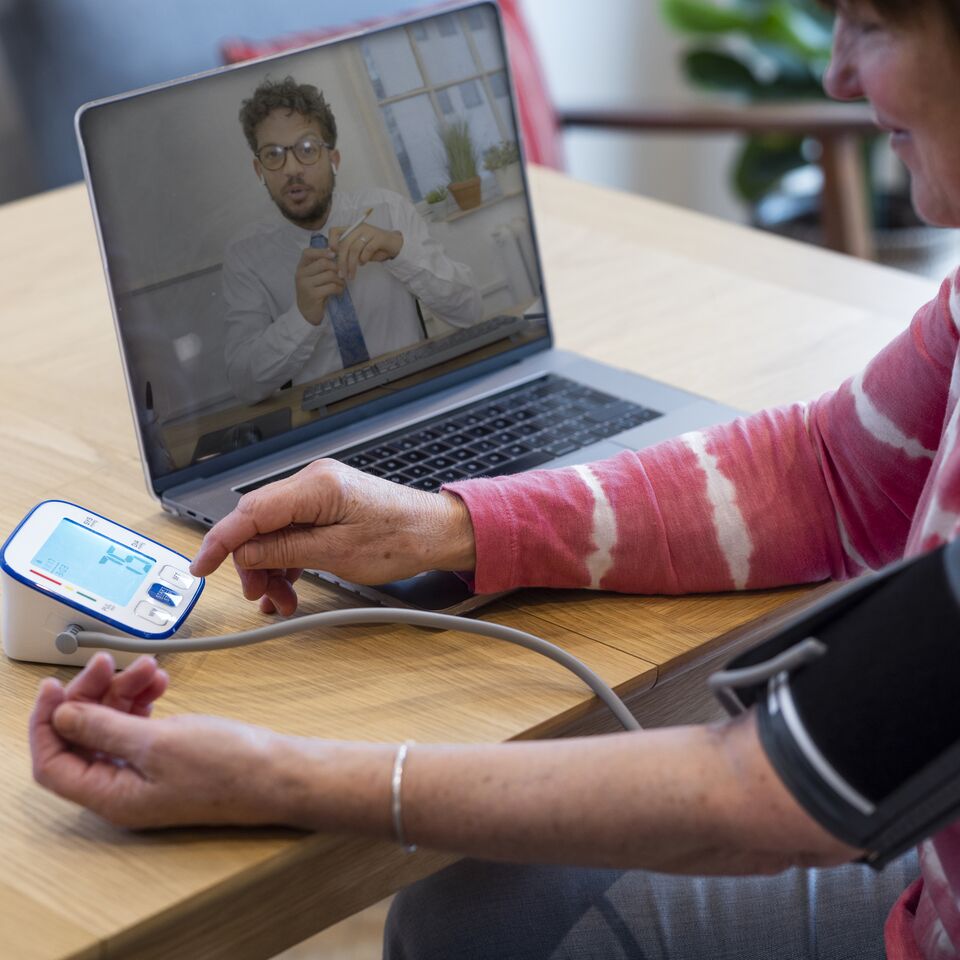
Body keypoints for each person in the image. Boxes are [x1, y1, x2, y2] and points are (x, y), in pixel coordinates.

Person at [28, 0, 960, 956]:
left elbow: (767, 792)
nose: (837, 74)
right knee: (465, 916)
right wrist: (445, 526)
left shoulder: (390, 222)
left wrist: (276, 773)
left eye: (873, 27)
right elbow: (830, 472)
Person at [222, 77, 482, 405]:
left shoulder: (388, 210)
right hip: (323, 432)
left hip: (414, 400)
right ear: (260, 171)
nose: (291, 169)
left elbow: (470, 311)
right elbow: (245, 385)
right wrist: (302, 316)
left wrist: (400, 252)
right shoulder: (246, 256)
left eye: (306, 149)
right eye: (274, 155)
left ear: (334, 159)